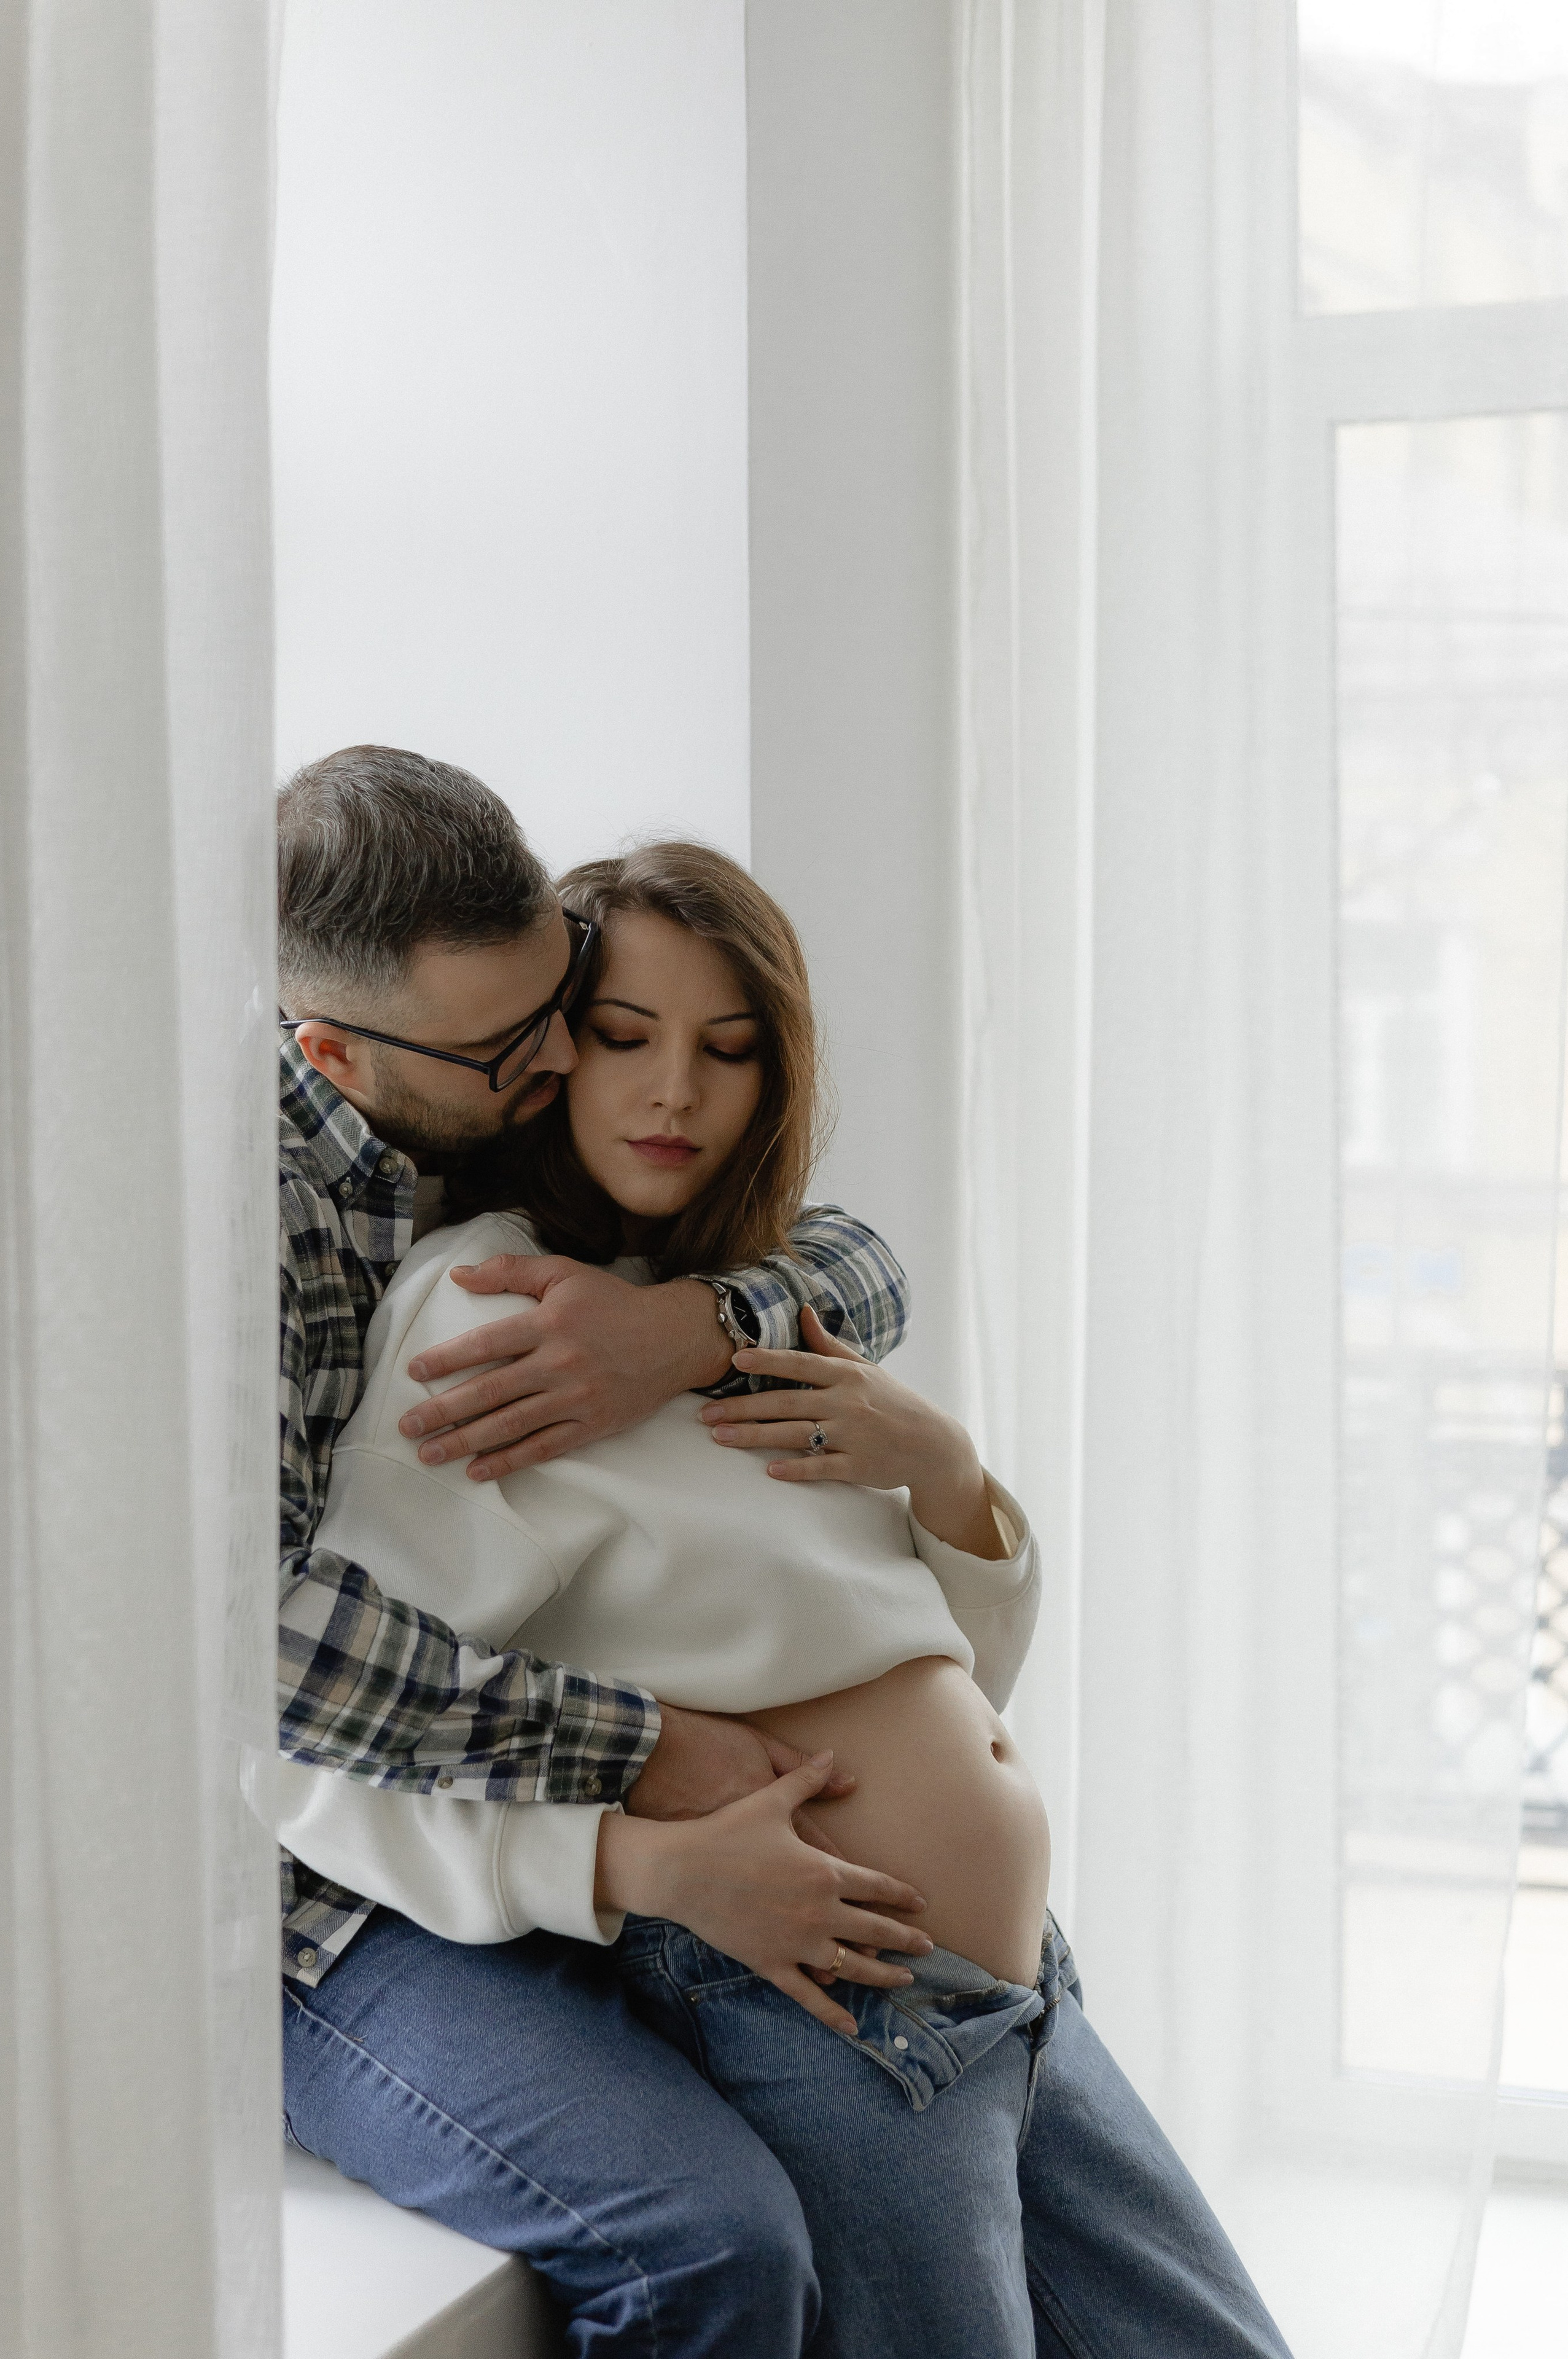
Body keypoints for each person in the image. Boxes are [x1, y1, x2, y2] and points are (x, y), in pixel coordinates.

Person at [274, 839, 1294, 2359]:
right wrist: (626, 1861)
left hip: (1009, 1984)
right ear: (549, 1054)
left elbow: (930, 1677)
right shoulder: (490, 1322)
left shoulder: (752, 1308)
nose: (674, 1092)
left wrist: (944, 1475)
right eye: (622, 1038)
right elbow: (317, 1744)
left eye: (728, 1049)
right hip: (834, 1994)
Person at [271, 747, 916, 2353]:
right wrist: (647, 1764)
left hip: (508, 1838)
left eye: (574, 1000)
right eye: (531, 1041)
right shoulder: (251, 1230)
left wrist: (688, 1328)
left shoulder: (472, 1102)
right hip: (307, 1899)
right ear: (332, 1048)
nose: (574, 1058)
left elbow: (853, 1256)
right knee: (712, 2248)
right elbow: (261, 1661)